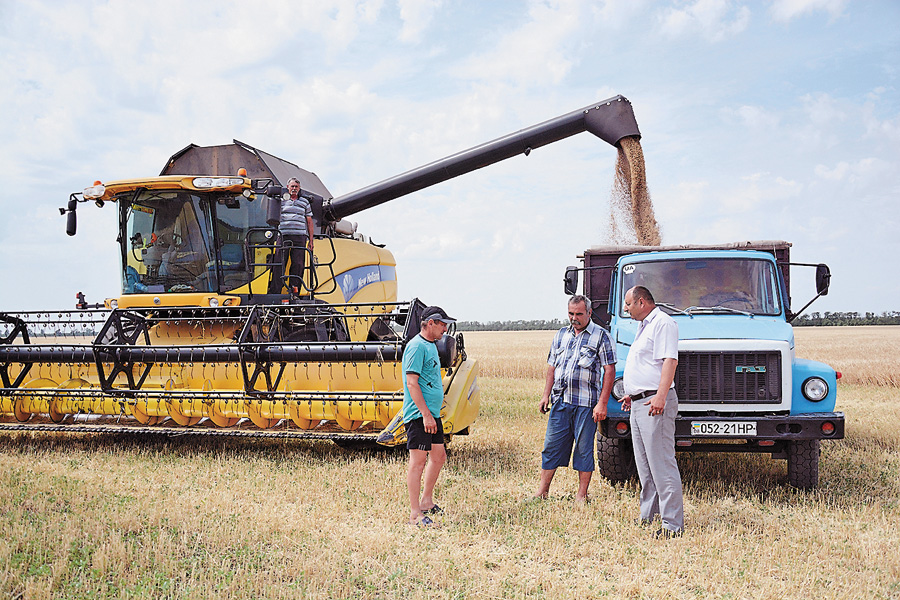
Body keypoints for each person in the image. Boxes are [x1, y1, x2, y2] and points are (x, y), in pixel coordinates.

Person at [533, 295, 616, 503]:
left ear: (589, 313)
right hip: (561, 401)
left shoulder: (601, 336)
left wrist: (602, 403)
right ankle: (542, 492)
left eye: (579, 314)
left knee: (583, 449)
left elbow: (610, 370)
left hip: (586, 404)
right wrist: (546, 395)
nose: (574, 318)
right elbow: (552, 368)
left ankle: (582, 495)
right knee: (551, 446)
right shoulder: (561, 335)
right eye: (571, 313)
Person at [621, 285, 684, 539]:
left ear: (642, 302)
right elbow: (648, 364)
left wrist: (660, 395)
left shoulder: (663, 323)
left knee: (662, 465)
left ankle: (672, 525)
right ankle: (649, 516)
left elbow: (670, 360)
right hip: (639, 403)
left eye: (628, 304)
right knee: (645, 466)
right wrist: (633, 392)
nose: (626, 309)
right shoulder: (644, 325)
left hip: (654, 403)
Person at [403, 306, 455, 527]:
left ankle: (426, 501)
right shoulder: (416, 347)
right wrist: (425, 414)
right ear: (431, 323)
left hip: (431, 414)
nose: (445, 328)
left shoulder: (431, 345)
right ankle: (415, 515)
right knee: (418, 462)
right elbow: (411, 383)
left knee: (439, 456)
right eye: (443, 324)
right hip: (419, 415)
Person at [269, 177, 315, 294]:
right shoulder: (281, 201)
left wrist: (311, 240)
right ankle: (275, 291)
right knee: (279, 262)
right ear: (287, 187)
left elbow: (309, 222)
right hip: (283, 235)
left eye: (296, 187)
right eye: (292, 186)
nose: (294, 189)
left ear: (299, 189)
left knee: (298, 264)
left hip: (300, 236)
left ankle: (294, 290)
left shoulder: (305, 202)